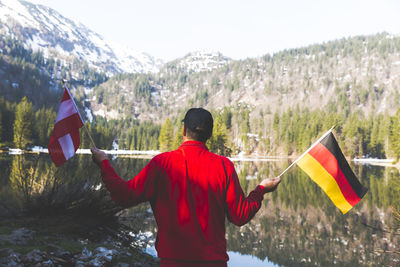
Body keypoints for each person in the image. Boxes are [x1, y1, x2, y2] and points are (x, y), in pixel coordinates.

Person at [91, 108, 281, 267]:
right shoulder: (224, 166)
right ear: (210, 134)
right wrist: (261, 190)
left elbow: (123, 195)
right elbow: (239, 216)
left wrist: (104, 164)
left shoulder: (162, 163)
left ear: (184, 130)